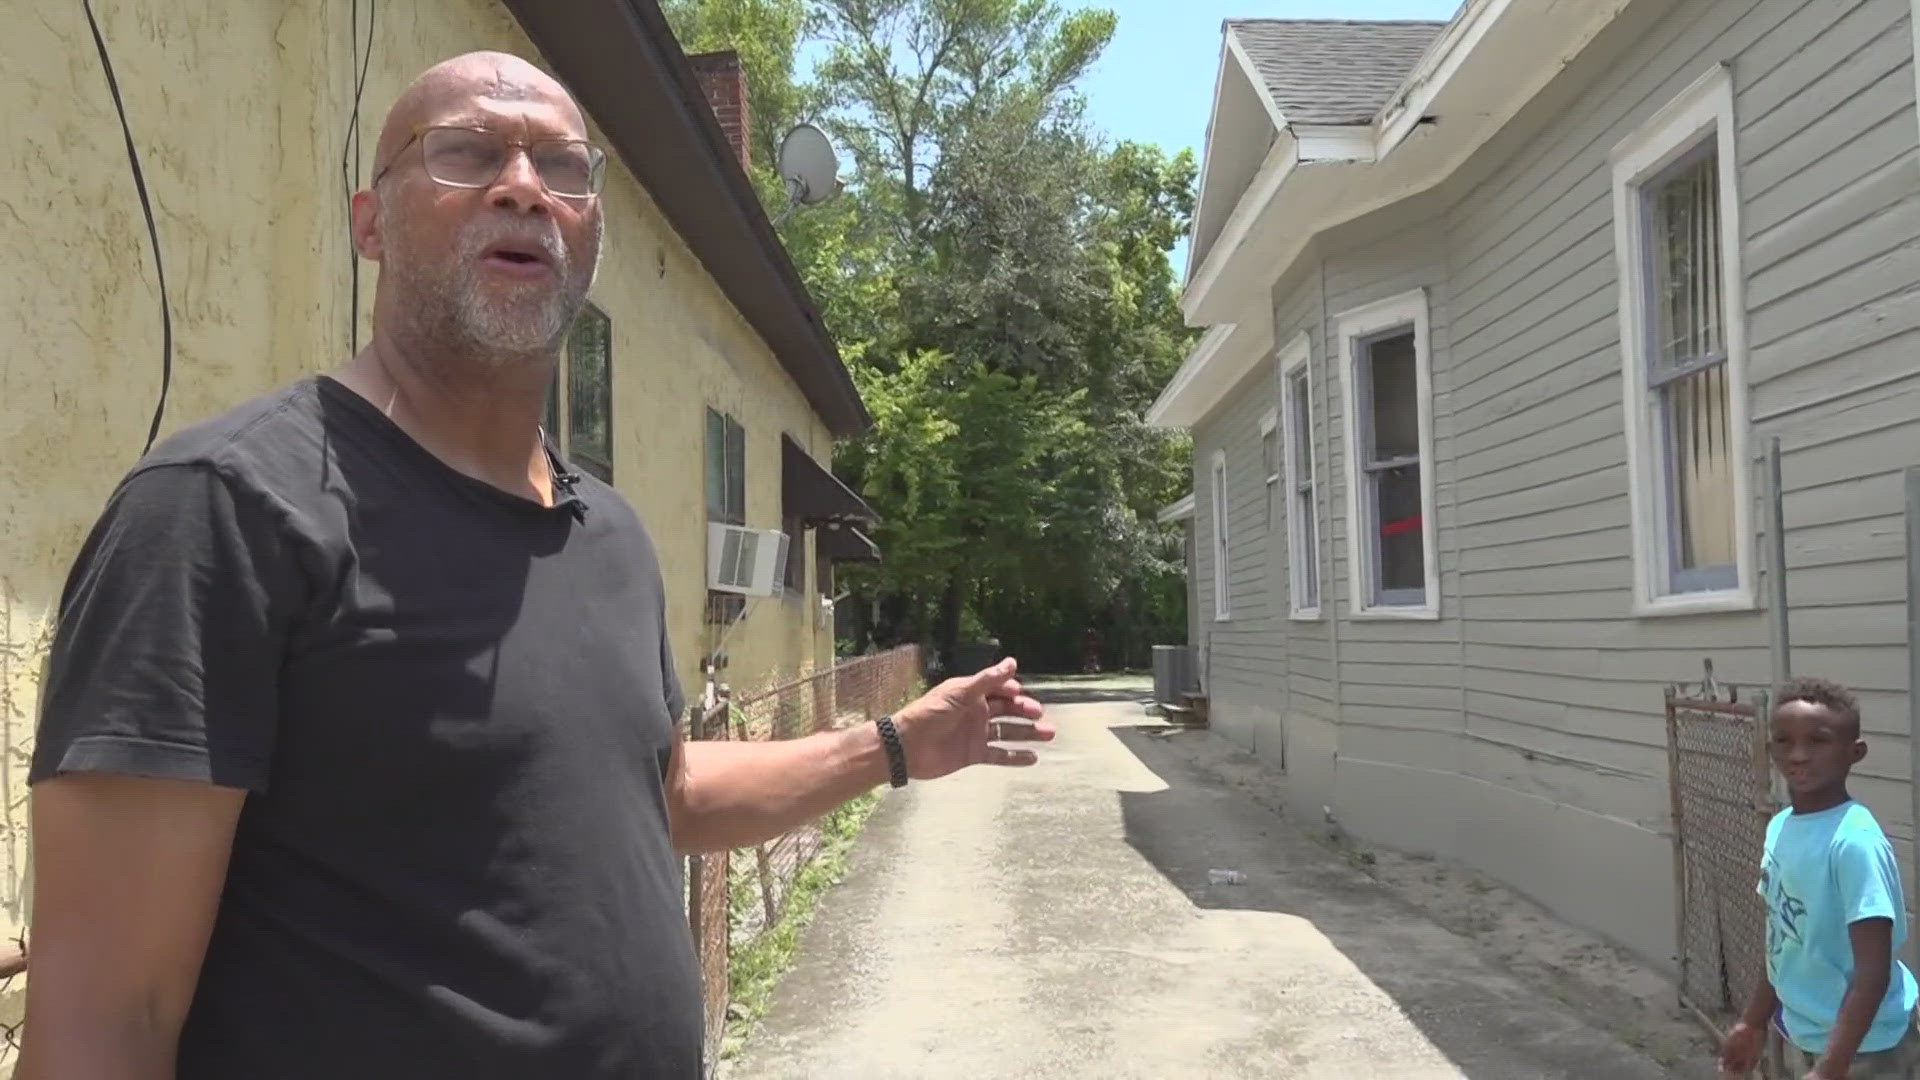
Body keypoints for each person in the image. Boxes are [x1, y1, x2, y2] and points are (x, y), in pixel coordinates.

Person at [20, 52, 1051, 1080]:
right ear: (369, 224)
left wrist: (895, 743)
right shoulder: (222, 511)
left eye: (563, 168)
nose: (523, 186)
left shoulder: (608, 536)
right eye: (466, 151)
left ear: (591, 232)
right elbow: (107, 1023)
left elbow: (666, 795)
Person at [1719, 678, 1920, 1079]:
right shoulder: (1780, 828)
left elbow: (1873, 972)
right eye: (1784, 741)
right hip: (1810, 1036)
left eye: (1818, 741)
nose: (1798, 755)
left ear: (1854, 753)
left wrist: (1833, 1065)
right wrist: (1753, 1021)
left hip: (1868, 1049)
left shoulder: (1854, 843)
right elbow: (1785, 939)